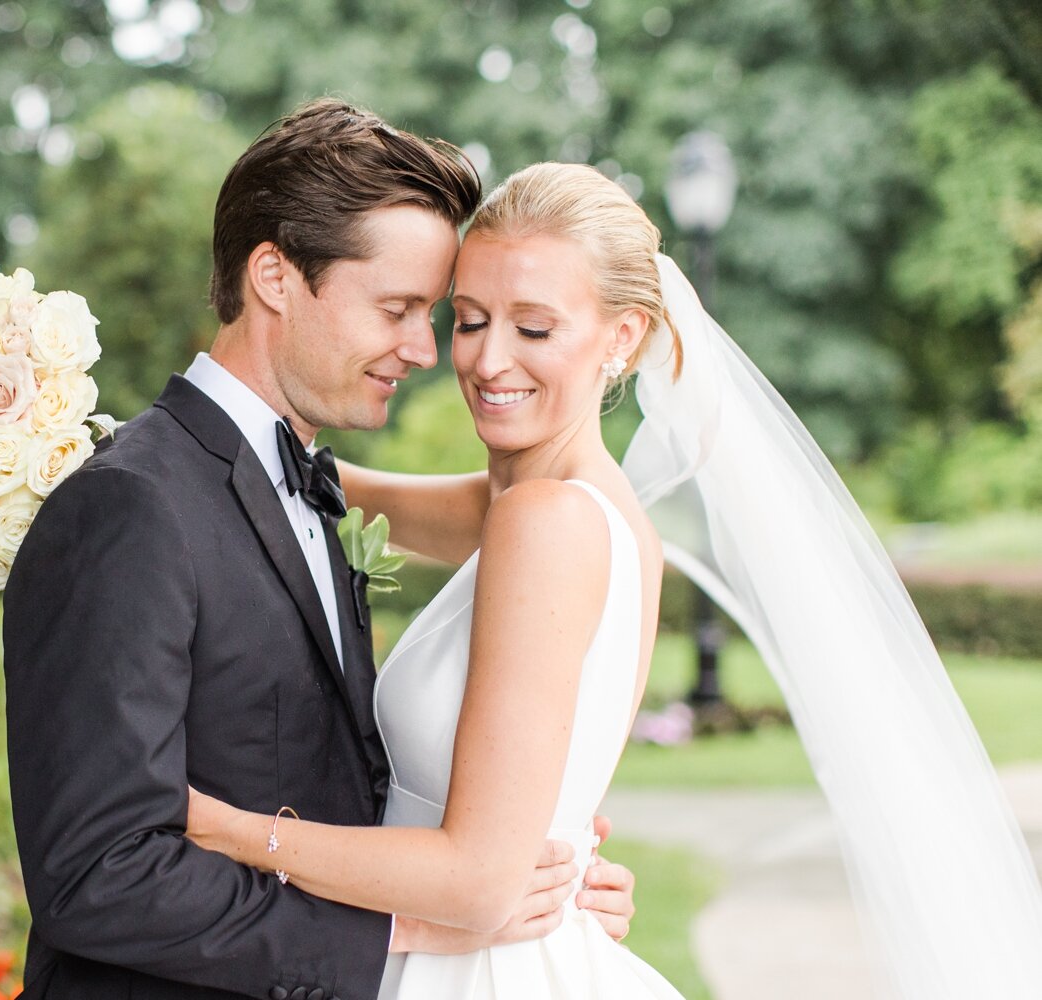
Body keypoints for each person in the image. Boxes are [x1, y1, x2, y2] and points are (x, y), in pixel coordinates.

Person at [186, 162, 1042, 998]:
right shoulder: (593, 509)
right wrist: (230, 443)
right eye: (471, 318)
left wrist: (221, 828)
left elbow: (480, 881)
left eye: (535, 328)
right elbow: (362, 495)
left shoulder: (543, 522)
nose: (487, 361)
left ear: (623, 338)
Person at [2, 105, 639, 1000]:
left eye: (432, 314)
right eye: (398, 309)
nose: (425, 350)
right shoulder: (131, 507)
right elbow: (94, 874)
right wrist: (397, 931)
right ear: (274, 276)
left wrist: (551, 875)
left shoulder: (301, 480)